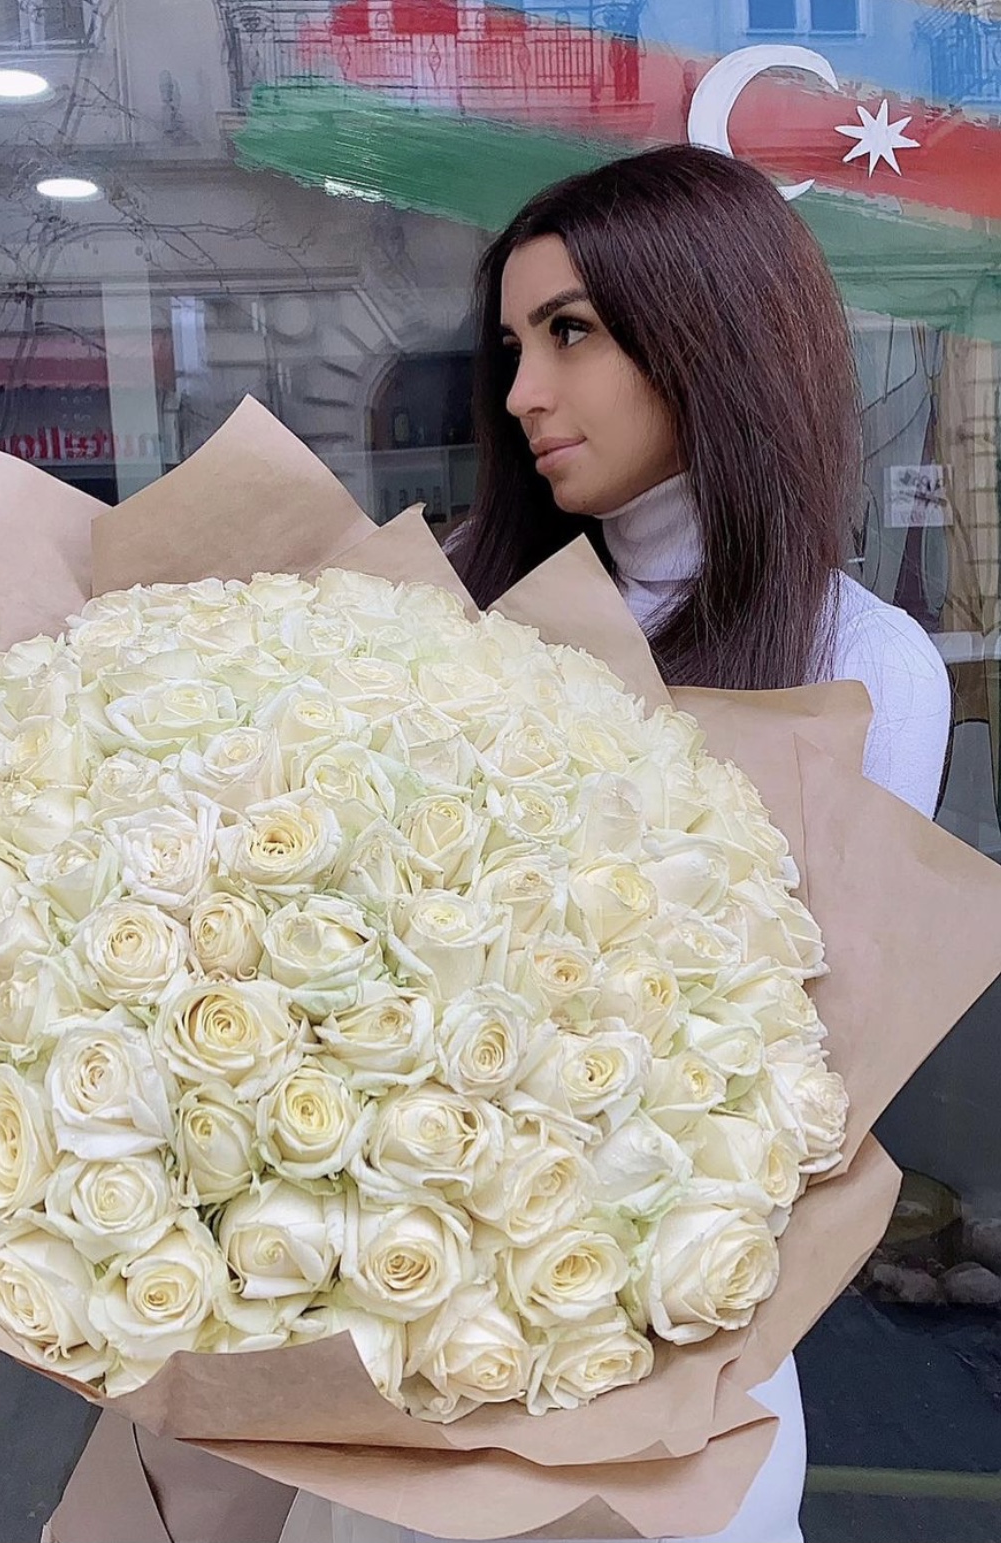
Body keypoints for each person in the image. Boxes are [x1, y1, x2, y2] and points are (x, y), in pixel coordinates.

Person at [407, 143, 947, 1543]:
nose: (522, 393)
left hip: (674, 1371)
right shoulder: (446, 610)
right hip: (406, 1329)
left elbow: (815, 1076)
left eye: (571, 333)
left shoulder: (859, 664)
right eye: (513, 345)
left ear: (710, 332)